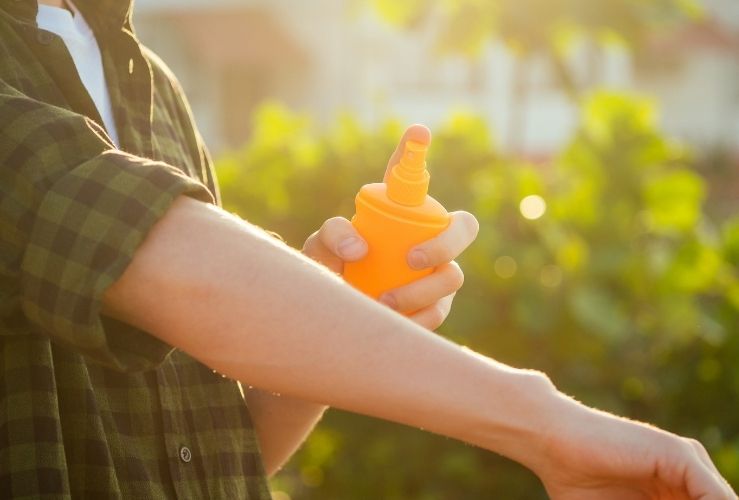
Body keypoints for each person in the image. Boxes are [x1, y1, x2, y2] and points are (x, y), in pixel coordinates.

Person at [0, 0, 734, 498]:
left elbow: (219, 456)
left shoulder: (150, 85)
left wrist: (342, 313)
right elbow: (143, 250)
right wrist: (543, 424)